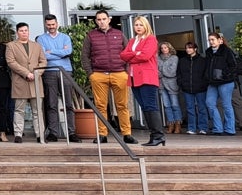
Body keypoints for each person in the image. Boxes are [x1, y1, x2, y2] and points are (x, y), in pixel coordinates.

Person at [82, 10, 134, 144]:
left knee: (122, 105)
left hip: (119, 73)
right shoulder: (91, 36)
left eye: (104, 19)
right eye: (98, 19)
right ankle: (102, 134)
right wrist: (90, 73)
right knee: (100, 106)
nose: (101, 21)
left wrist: (126, 72)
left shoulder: (119, 34)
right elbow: (85, 56)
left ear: (109, 19)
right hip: (98, 75)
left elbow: (128, 53)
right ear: (95, 21)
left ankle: (127, 134)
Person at [35, 14, 80, 142]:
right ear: (45, 25)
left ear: (57, 24)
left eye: (53, 24)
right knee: (51, 103)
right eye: (48, 25)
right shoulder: (41, 39)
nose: (51, 27)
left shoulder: (65, 37)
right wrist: (59, 52)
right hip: (49, 72)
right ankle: (53, 133)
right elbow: (44, 56)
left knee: (68, 103)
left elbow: (68, 52)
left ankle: (71, 132)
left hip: (66, 71)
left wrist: (51, 51)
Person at [122, 16, 164, 147]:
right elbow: (123, 55)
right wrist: (136, 54)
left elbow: (145, 55)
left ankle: (158, 135)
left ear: (146, 26)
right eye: (136, 25)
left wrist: (132, 55)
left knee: (151, 106)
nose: (138, 27)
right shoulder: (132, 40)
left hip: (147, 77)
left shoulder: (150, 39)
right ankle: (154, 135)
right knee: (145, 107)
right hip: (135, 78)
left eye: (141, 24)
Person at [5, 22, 46, 143]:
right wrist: (26, 73)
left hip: (36, 82)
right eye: (22, 31)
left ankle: (40, 135)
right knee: (19, 110)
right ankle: (18, 134)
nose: (24, 33)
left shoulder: (36, 46)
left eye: (26, 30)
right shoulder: (11, 46)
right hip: (20, 81)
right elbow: (11, 62)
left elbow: (43, 61)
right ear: (17, 32)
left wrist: (36, 73)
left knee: (37, 111)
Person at [204, 31, 238, 136]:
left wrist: (224, 75)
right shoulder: (209, 52)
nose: (211, 42)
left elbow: (233, 66)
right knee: (209, 103)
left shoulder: (227, 51)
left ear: (220, 40)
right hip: (213, 82)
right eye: (209, 40)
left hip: (225, 82)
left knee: (226, 104)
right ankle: (218, 128)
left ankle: (230, 129)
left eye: (213, 40)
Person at [178, 41, 209, 134]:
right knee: (190, 108)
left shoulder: (202, 60)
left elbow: (206, 74)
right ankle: (191, 128)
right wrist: (181, 83)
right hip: (187, 88)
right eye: (187, 48)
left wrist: (204, 84)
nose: (188, 49)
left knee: (202, 108)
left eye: (190, 48)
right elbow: (179, 74)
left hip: (200, 88)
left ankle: (203, 128)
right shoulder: (182, 61)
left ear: (195, 49)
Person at [157, 42, 183, 134]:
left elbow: (172, 72)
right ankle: (170, 124)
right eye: (162, 48)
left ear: (169, 48)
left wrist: (161, 71)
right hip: (162, 85)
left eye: (166, 48)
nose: (164, 49)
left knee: (175, 105)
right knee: (167, 105)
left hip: (172, 85)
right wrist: (163, 71)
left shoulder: (174, 58)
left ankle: (178, 124)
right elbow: (155, 72)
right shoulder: (158, 58)